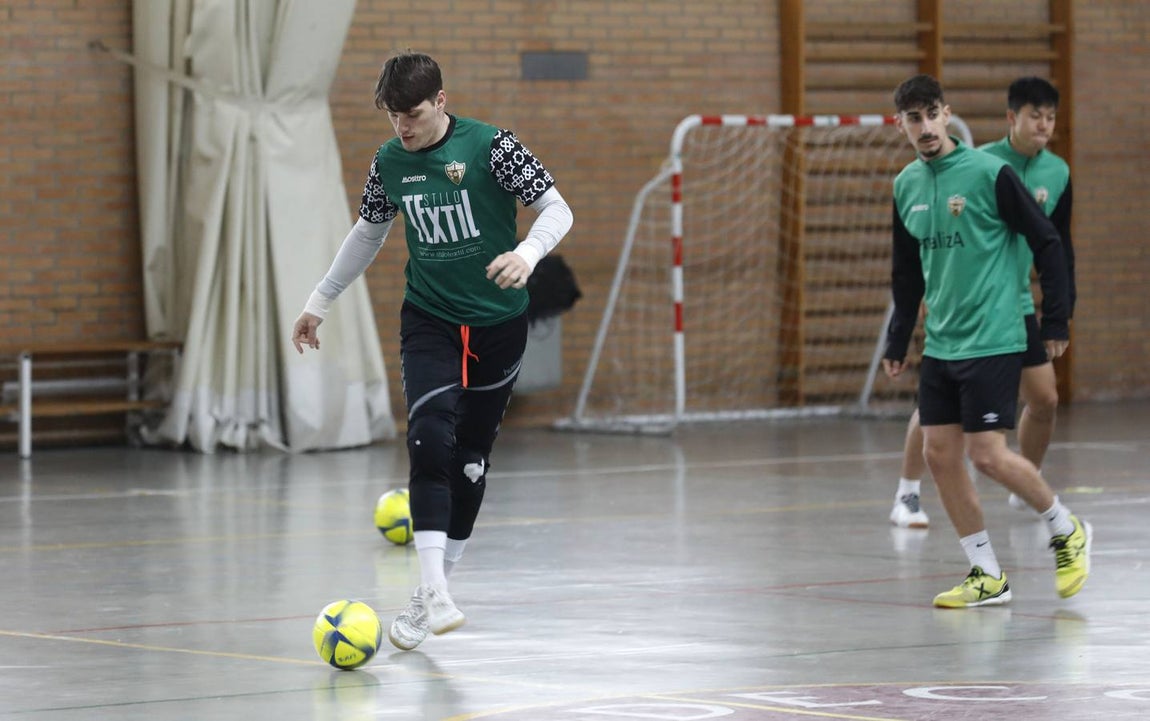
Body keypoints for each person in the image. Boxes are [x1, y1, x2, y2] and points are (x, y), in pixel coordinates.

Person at [292, 51, 573, 647]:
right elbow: (369, 231)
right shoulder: (389, 162)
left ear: (441, 102)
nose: (403, 127)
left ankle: (430, 591)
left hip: (499, 323)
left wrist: (527, 254)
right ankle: (435, 590)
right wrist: (320, 299)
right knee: (429, 436)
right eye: (393, 115)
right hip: (430, 318)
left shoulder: (494, 148)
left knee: (470, 458)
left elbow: (557, 208)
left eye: (413, 114)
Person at [882, 74, 1090, 608]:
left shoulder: (988, 173)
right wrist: (897, 339)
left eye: (932, 114)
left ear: (947, 114)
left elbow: (1047, 240)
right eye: (913, 118)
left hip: (994, 334)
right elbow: (906, 273)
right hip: (943, 342)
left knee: (988, 455)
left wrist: (1055, 322)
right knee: (938, 452)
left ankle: (1065, 529)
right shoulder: (906, 185)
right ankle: (987, 574)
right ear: (900, 124)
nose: (925, 126)